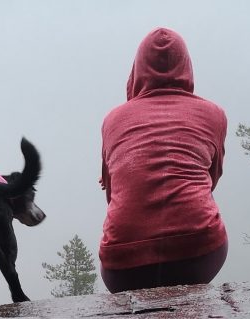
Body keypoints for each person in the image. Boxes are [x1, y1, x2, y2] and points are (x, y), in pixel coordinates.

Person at [98, 28, 228, 293]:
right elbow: (211, 180)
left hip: (122, 266)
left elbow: (113, 193)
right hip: (197, 254)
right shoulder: (214, 114)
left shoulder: (113, 120)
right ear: (186, 65)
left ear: (138, 69)